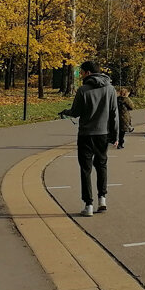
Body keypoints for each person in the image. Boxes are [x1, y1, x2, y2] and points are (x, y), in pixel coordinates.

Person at [62, 61, 118, 217]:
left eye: (81, 73)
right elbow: (114, 113)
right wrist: (115, 135)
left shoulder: (83, 90)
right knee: (101, 165)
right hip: (103, 133)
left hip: (86, 134)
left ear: (87, 73)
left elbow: (76, 111)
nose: (80, 76)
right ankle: (102, 199)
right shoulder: (110, 89)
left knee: (85, 169)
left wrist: (65, 111)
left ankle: (88, 204)